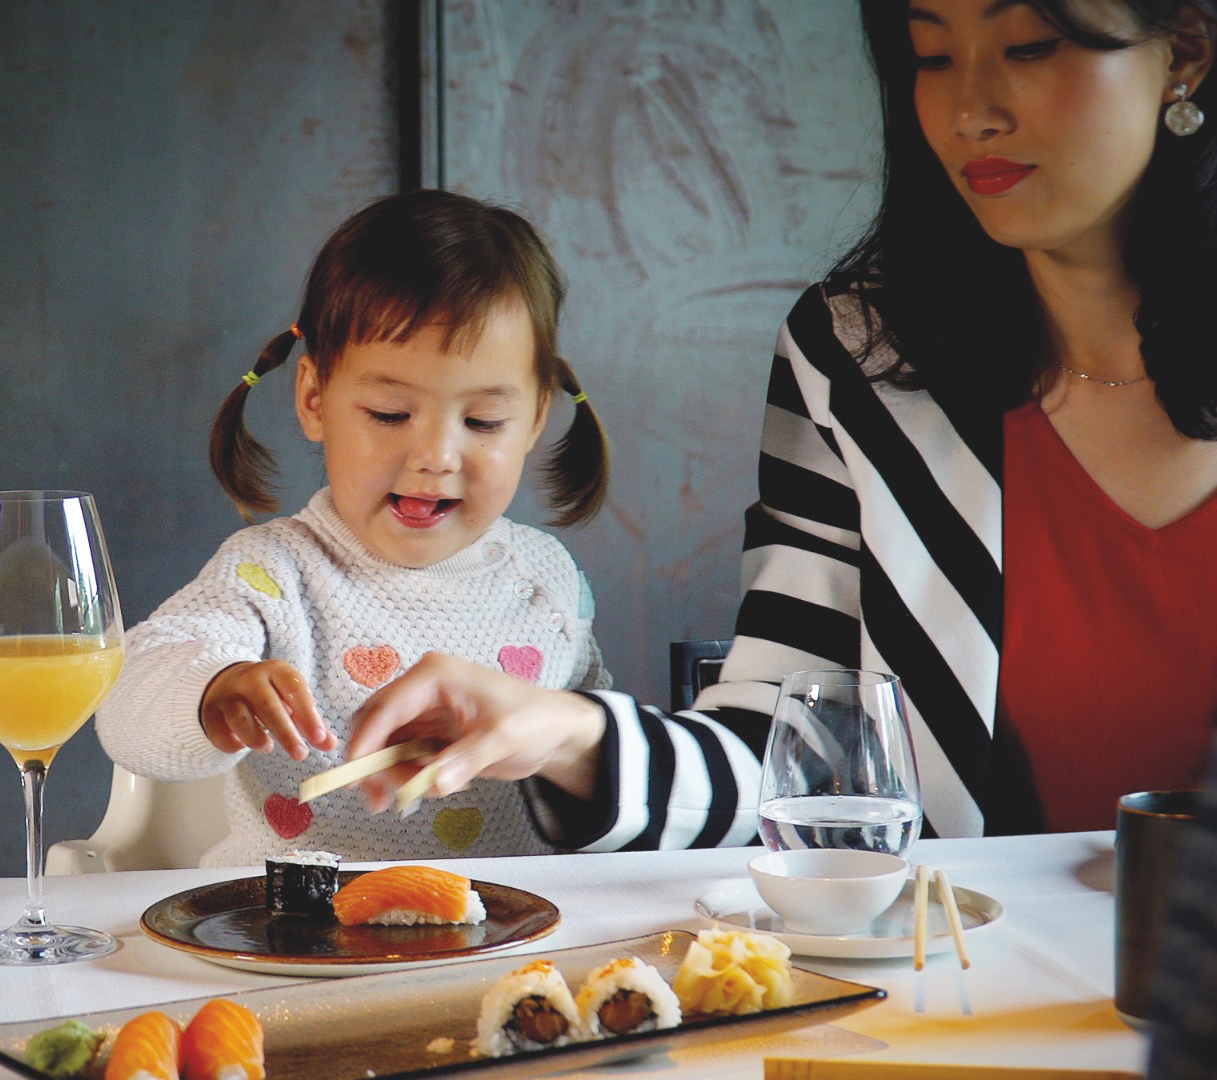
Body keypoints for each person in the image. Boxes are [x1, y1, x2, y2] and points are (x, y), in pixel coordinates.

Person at [344, 0, 1217, 847]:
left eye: (1029, 47)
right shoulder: (864, 359)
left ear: (1182, 50)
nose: (968, 112)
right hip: (978, 981)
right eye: (932, 56)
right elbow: (785, 764)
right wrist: (570, 735)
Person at [95, 190, 612, 866]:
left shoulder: (546, 581)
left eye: (483, 421)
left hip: (505, 943)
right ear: (314, 400)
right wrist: (216, 692)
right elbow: (127, 705)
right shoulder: (272, 573)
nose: (435, 457)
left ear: (537, 419)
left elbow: (607, 767)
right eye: (391, 413)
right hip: (295, 939)